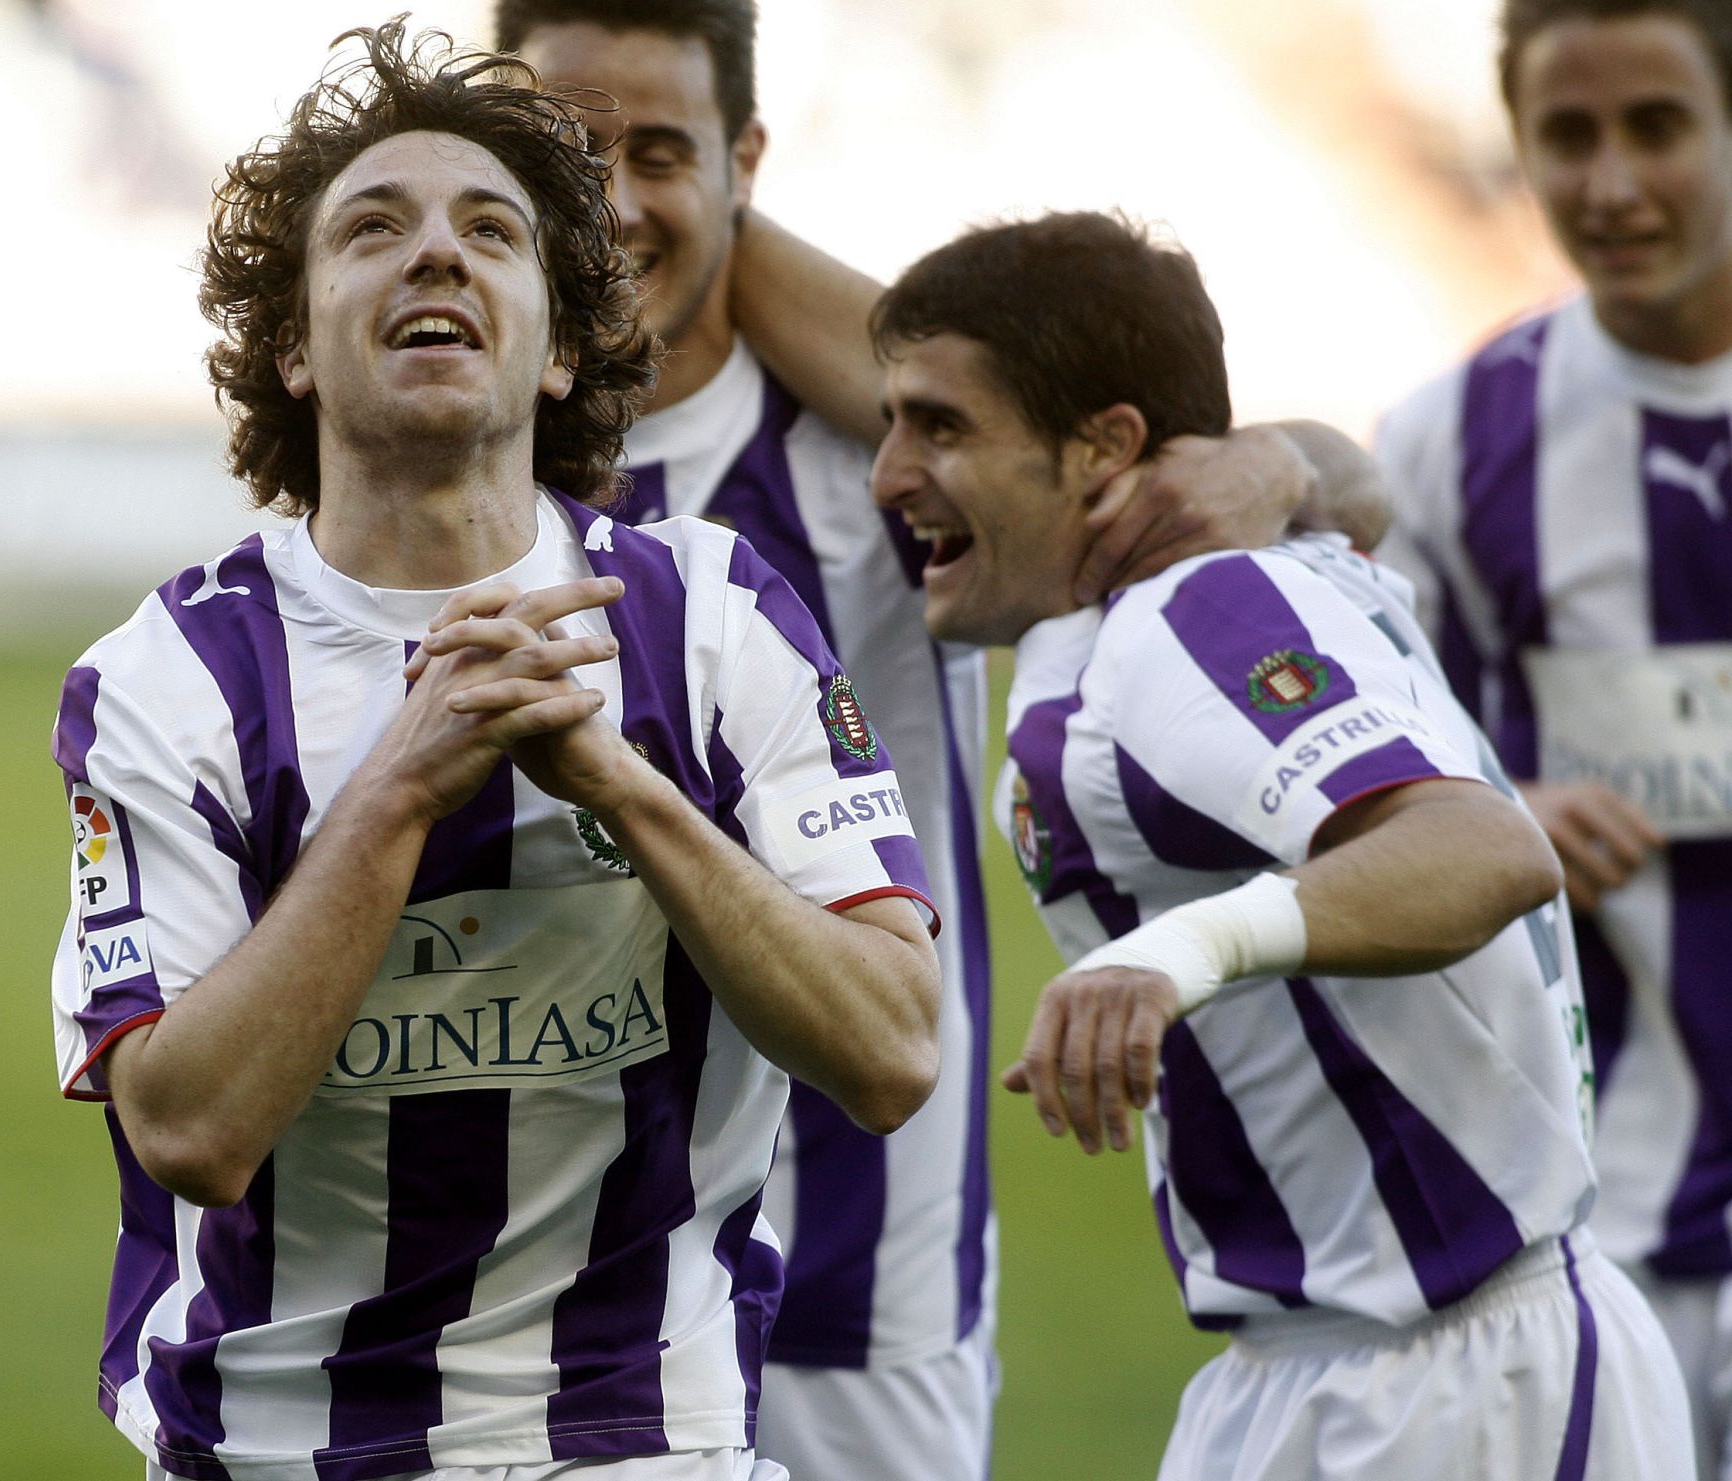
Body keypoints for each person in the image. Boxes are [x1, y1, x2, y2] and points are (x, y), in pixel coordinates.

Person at [493, 5, 1394, 1476]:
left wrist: (1284, 462)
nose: (613, 199)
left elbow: (1321, 490)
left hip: (858, 1250)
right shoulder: (446, 462)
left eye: (660, 152)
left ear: (746, 161)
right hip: (528, 1255)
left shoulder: (886, 457)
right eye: (565, 154)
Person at [47, 21, 946, 1480]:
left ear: (564, 344)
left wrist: (619, 783)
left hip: (645, 1441)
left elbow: (892, 1047)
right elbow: (190, 1125)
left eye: (491, 232)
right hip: (277, 1445)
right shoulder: (169, 681)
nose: (437, 258)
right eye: (373, 229)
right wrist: (402, 783)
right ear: (291, 343)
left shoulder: (714, 619)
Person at [871, 208, 1693, 1478]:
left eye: (941, 425)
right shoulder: (1201, 592)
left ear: (1105, 448)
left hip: (1461, 1377)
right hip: (1307, 1365)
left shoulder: (1189, 612)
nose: (889, 473)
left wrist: (1180, 948)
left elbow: (1488, 848)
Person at [1374, 2, 1732, 1472]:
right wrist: (1499, 804)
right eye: (1565, 136)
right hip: (1607, 1229)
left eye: (1656, 126)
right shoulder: (1457, 443)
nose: (1609, 183)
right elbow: (1377, 778)